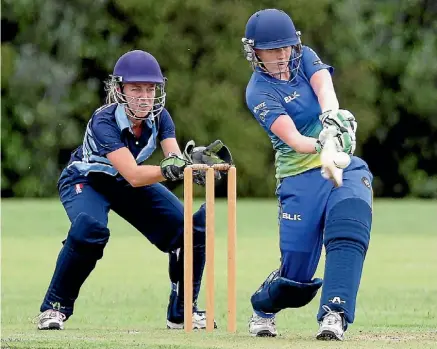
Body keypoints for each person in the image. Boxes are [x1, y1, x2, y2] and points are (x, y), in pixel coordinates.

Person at [36, 50, 231, 330]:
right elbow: (135, 174)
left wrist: (191, 164)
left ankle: (182, 312)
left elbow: (173, 158)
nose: (144, 96)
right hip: (87, 179)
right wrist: (170, 170)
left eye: (150, 88)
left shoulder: (161, 117)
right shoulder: (104, 120)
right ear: (119, 90)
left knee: (190, 229)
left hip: (124, 182)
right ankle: (54, 308)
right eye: (136, 88)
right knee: (89, 229)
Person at [241, 9, 373, 341]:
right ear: (254, 52)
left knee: (351, 219)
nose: (282, 56)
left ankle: (335, 313)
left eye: (286, 47)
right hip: (299, 177)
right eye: (273, 50)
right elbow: (295, 141)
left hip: (340, 165)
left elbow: (325, 88)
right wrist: (323, 143)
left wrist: (332, 120)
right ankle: (263, 307)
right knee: (296, 277)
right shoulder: (258, 91)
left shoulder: (304, 57)